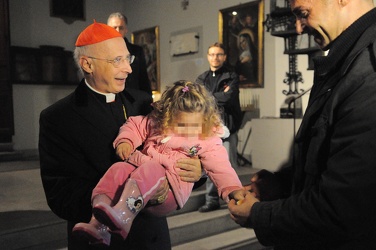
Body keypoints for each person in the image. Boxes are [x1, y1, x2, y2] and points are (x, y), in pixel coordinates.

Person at [39, 21, 202, 250]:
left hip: (149, 236)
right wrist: (132, 195)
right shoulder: (58, 117)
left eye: (128, 59)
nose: (128, 69)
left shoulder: (145, 102)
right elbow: (61, 195)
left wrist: (196, 171)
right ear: (88, 64)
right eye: (117, 60)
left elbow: (181, 142)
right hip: (102, 242)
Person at [228, 0, 376, 248]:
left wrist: (259, 215)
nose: (298, 29)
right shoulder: (346, 63)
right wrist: (284, 184)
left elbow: (343, 208)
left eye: (304, 14)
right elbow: (328, 159)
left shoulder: (367, 73)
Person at [72, 80, 247, 246]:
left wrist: (233, 189)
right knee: (118, 169)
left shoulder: (207, 139)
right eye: (181, 125)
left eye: (194, 125)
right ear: (168, 117)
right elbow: (135, 125)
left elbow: (221, 167)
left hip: (171, 190)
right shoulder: (157, 122)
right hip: (141, 175)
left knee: (152, 167)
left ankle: (123, 216)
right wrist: (126, 141)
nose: (188, 131)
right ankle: (97, 224)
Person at [196, 42, 243, 212]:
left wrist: (210, 97)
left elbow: (228, 98)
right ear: (208, 56)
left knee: (229, 166)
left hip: (228, 125)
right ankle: (212, 200)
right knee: (211, 164)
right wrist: (219, 96)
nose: (215, 58)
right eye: (212, 54)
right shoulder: (202, 78)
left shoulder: (231, 76)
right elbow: (199, 100)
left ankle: (236, 200)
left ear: (224, 57)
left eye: (219, 54)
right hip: (210, 127)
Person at [107, 12, 152, 96]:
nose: (117, 31)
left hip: (133, 98)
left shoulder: (137, 51)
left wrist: (148, 102)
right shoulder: (102, 51)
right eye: (114, 27)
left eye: (121, 28)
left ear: (125, 30)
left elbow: (143, 79)